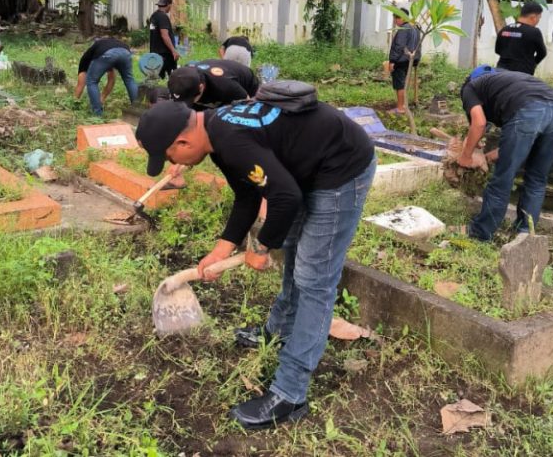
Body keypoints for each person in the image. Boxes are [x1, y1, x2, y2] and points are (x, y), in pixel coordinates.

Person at [135, 81, 376, 430]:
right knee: (292, 244)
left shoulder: (229, 138)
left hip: (341, 169)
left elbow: (285, 198)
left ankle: (291, 393)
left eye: (170, 156)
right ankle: (279, 329)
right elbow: (249, 193)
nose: (174, 164)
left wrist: (260, 248)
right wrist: (224, 245)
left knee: (314, 279)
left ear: (183, 142)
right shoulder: (214, 130)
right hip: (303, 170)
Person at [457, 65, 553, 241]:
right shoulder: (511, 82)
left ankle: (480, 233)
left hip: (529, 111)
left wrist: (465, 156)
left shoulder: (470, 87)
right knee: (537, 179)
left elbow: (478, 123)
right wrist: (489, 155)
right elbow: (525, 131)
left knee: (503, 178)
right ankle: (525, 233)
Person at [74, 37, 137, 116]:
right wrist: (102, 98)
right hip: (126, 52)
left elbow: (81, 82)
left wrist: (75, 100)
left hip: (107, 54)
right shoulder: (105, 46)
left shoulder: (86, 58)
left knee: (91, 81)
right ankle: (137, 109)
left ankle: (97, 114)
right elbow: (112, 79)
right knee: (129, 80)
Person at [167, 59, 259, 110]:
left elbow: (247, 105)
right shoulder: (179, 79)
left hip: (247, 87)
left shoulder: (224, 85)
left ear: (201, 87)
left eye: (189, 98)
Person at [495, 1, 547, 76]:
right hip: (522, 75)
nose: (538, 21)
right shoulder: (534, 32)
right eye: (539, 18)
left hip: (500, 72)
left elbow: (498, 50)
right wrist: (532, 63)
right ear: (533, 17)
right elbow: (542, 53)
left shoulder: (505, 29)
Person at [388, 9, 421, 115]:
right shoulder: (415, 27)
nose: (395, 21)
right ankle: (403, 105)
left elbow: (399, 46)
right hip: (411, 60)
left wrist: (393, 61)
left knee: (399, 84)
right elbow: (418, 45)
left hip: (401, 60)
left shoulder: (404, 29)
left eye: (396, 18)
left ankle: (400, 108)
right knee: (404, 83)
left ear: (402, 18)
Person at [149, 0, 179, 78]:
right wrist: (173, 51)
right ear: (169, 5)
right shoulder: (163, 17)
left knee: (158, 77)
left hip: (155, 52)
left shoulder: (154, 16)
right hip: (165, 53)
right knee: (172, 77)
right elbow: (164, 35)